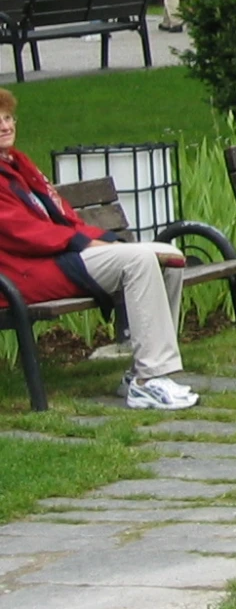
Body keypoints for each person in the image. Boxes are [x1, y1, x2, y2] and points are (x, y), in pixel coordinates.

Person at [0, 88, 198, 409]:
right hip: (26, 272)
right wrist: (83, 242)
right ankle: (151, 379)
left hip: (58, 256)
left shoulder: (19, 165)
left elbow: (63, 215)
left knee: (168, 257)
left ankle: (142, 373)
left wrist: (104, 239)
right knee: (141, 261)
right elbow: (20, 232)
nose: (5, 126)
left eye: (8, 118)